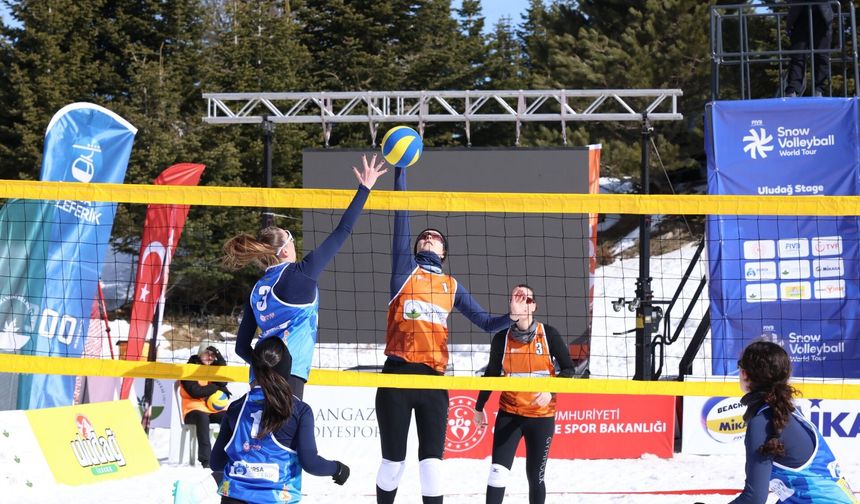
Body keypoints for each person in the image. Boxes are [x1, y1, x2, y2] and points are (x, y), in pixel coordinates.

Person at [375, 164, 523, 504]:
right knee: (393, 463)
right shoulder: (404, 272)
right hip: (397, 377)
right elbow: (401, 217)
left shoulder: (451, 285)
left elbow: (486, 323)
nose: (429, 237)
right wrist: (400, 171)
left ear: (444, 252)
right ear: (417, 249)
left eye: (436, 237)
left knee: (432, 466)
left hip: (434, 380)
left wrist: (510, 318)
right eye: (424, 236)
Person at [224, 154, 387, 399]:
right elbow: (343, 230)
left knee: (260, 437)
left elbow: (240, 347)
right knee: (286, 436)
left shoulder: (257, 289)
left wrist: (262, 367)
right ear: (286, 248)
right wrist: (365, 188)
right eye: (290, 236)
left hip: (258, 377)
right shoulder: (300, 273)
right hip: (289, 374)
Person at [211, 337, 349, 503]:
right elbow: (310, 463)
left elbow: (216, 462)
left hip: (234, 497)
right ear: (286, 369)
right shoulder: (299, 410)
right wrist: (338, 469)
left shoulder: (236, 407)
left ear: (254, 368)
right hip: (276, 497)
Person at [473, 285, 577, 504]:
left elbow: (569, 369)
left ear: (535, 306)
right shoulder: (501, 339)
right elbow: (491, 374)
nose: (522, 302)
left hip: (541, 417)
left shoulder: (548, 334)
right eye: (517, 298)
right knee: (497, 472)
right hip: (510, 414)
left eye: (527, 299)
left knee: (535, 478)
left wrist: (550, 390)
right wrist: (479, 407)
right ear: (511, 304)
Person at [729, 340, 858, 503]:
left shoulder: (762, 423)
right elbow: (793, 493)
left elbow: (754, 499)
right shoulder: (787, 412)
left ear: (744, 373)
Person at [178, 344, 231, 468]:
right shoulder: (189, 368)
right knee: (202, 418)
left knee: (227, 417)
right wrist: (216, 387)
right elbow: (195, 391)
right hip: (192, 410)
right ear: (200, 354)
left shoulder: (214, 368)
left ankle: (227, 456)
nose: (210, 357)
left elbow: (223, 382)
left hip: (211, 409)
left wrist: (219, 356)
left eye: (213, 355)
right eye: (207, 354)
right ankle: (206, 460)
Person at [784, 0, 834, 97]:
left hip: (822, 18)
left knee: (821, 55)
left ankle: (819, 90)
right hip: (799, 18)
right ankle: (792, 89)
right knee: (797, 55)